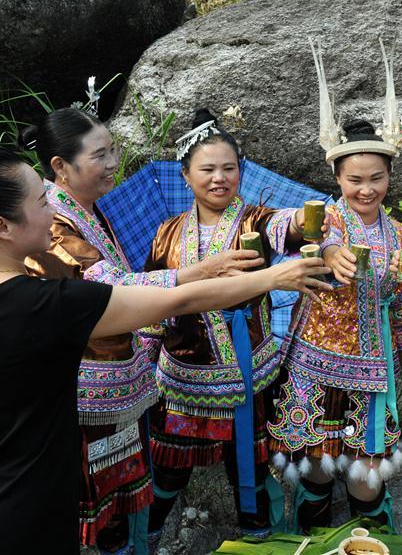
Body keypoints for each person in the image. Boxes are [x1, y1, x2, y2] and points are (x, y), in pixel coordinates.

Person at [0, 148, 329, 554]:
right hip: (28, 505)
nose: (54, 212)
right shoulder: (54, 304)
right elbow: (177, 301)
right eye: (41, 201)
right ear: (1, 226)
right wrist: (272, 276)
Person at [22, 107, 257, 554]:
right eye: (100, 155)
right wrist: (198, 273)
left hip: (121, 378)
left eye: (113, 151)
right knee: (104, 503)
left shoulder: (87, 210)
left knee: (123, 496)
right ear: (60, 167)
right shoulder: (55, 222)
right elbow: (107, 288)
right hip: (87, 383)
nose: (113, 163)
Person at [141, 108, 323, 541]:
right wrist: (142, 365)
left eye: (229, 168)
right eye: (207, 169)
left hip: (246, 374)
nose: (219, 177)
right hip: (183, 378)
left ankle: (259, 542)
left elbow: (287, 226)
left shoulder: (254, 222)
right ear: (186, 175)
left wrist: (304, 220)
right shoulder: (167, 232)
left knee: (251, 470)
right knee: (168, 473)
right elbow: (151, 300)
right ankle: (144, 540)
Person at [267, 41, 402, 533]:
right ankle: (311, 543)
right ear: (337, 177)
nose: (365, 189)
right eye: (354, 179)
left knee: (366, 479)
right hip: (314, 361)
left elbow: (400, 309)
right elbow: (282, 230)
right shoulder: (325, 216)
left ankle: (371, 542)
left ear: (389, 177)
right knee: (314, 471)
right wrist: (320, 248)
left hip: (374, 370)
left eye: (376, 178)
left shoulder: (398, 235)